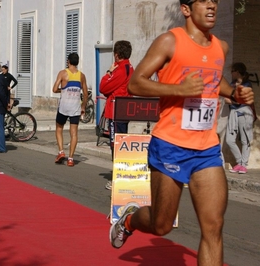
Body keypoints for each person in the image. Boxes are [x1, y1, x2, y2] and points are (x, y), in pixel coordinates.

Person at [110, 1, 254, 266]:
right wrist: (179, 89)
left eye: (215, 1)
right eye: (203, 1)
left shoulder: (220, 47)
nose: (212, 6)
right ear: (186, 9)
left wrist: (233, 93)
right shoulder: (169, 42)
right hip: (170, 145)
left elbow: (212, 80)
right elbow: (136, 82)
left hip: (207, 149)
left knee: (213, 227)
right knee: (161, 224)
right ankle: (130, 219)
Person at [99, 40, 134, 189]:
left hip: (116, 110)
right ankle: (121, 175)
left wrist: (108, 72)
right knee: (120, 143)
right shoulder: (130, 67)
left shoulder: (120, 69)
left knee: (116, 145)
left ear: (117, 55)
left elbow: (103, 87)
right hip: (123, 109)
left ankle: (118, 178)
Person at [52, 52, 88, 167]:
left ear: (68, 61)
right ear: (77, 62)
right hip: (75, 107)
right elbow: (86, 94)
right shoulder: (81, 76)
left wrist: (62, 90)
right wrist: (83, 106)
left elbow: (54, 89)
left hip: (64, 107)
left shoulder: (63, 73)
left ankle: (61, 151)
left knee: (59, 128)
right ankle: (71, 158)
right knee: (74, 133)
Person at [225, 62, 256, 174]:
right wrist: (231, 100)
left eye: (232, 71)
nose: (231, 73)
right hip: (233, 113)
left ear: (237, 72)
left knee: (245, 140)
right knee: (229, 140)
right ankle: (239, 162)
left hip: (244, 113)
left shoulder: (247, 84)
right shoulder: (231, 84)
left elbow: (241, 100)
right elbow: (226, 98)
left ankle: (244, 165)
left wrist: (231, 100)